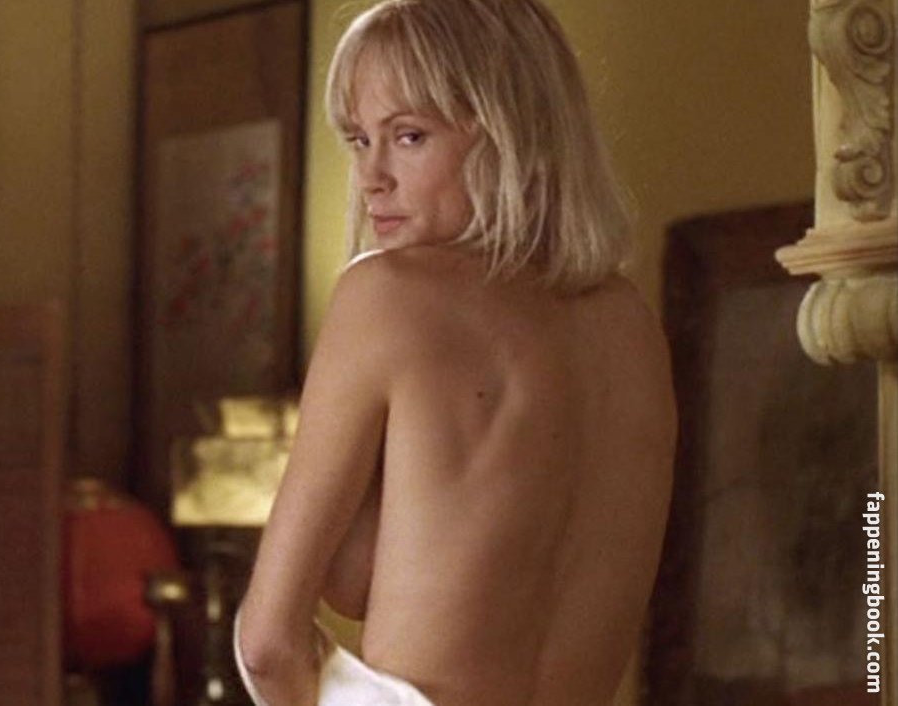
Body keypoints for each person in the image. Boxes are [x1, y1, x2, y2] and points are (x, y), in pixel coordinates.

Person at [235, 1, 677, 704]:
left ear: (510, 133)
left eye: (409, 136)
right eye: (359, 140)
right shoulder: (631, 325)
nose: (371, 176)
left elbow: (266, 645)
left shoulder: (386, 295)